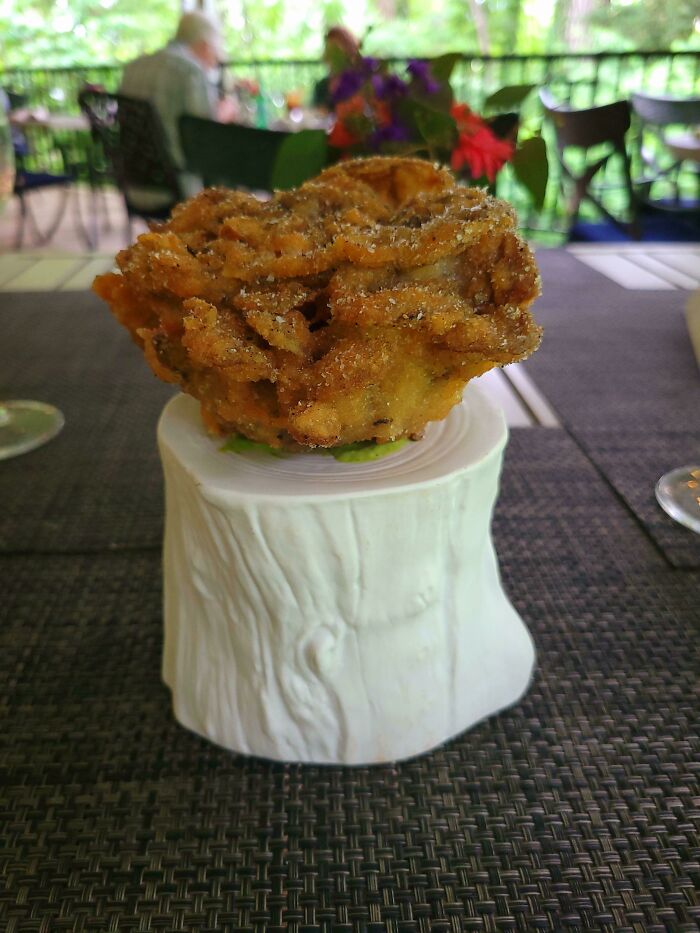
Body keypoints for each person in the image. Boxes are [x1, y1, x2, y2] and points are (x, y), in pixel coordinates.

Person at [119, 11, 236, 195]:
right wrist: (224, 113)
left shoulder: (133, 67)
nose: (216, 59)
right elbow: (205, 136)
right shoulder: (190, 71)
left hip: (132, 184)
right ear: (206, 45)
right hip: (179, 187)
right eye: (216, 52)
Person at [312, 26, 361, 111]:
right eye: (328, 49)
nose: (332, 55)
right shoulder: (321, 86)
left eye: (336, 50)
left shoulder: (358, 82)